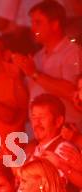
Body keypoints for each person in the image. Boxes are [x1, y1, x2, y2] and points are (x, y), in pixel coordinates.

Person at [12, 0, 82, 130]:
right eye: (32, 23)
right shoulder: (37, 57)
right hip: (40, 134)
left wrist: (34, 73)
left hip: (67, 133)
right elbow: (23, 104)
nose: (33, 28)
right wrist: (16, 77)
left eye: (38, 22)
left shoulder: (72, 52)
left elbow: (73, 93)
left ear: (55, 24)